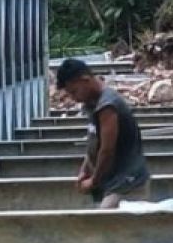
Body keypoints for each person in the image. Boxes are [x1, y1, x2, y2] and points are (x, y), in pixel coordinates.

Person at [55, 59, 151, 209]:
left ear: (85, 80)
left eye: (74, 91)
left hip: (126, 184)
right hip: (113, 182)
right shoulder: (93, 104)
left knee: (104, 227)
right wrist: (84, 170)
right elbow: (94, 143)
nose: (74, 98)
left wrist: (93, 181)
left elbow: (107, 150)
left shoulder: (107, 105)